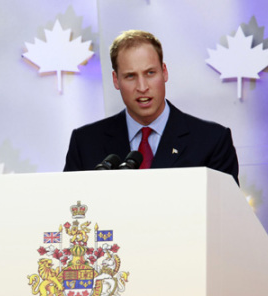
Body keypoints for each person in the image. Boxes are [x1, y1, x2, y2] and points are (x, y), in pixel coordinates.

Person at [63, 30, 239, 185]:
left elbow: (225, 214)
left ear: (164, 72)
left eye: (150, 73)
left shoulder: (212, 141)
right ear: (116, 80)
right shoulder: (85, 142)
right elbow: (70, 212)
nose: (142, 87)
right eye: (130, 76)